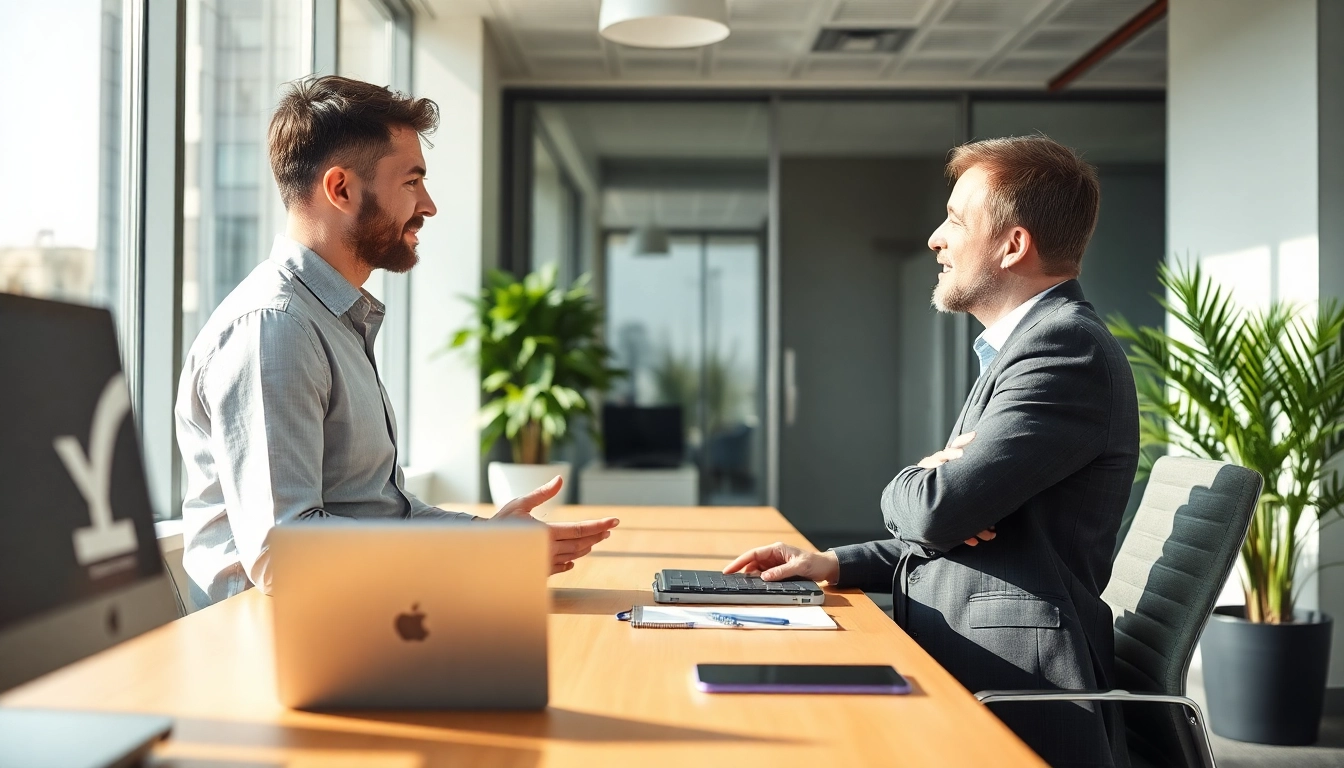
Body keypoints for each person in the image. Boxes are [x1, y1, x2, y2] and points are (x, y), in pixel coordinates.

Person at [725, 136, 1138, 768]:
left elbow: (940, 513)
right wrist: (831, 563)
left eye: (955, 220)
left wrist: (919, 476)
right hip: (967, 655)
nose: (934, 239)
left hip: (1015, 687)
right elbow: (967, 527)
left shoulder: (1062, 352)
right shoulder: (1026, 348)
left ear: (1014, 244)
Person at [177, 75, 618, 606]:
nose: (428, 205)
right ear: (340, 189)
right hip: (273, 647)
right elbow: (283, 551)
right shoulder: (276, 327)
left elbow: (381, 511)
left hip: (362, 619)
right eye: (411, 182)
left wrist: (485, 537)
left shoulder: (332, 319)